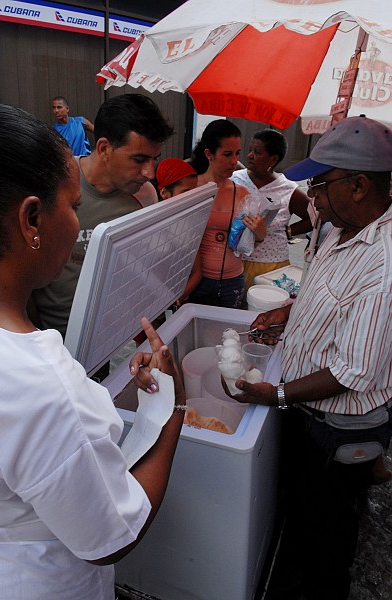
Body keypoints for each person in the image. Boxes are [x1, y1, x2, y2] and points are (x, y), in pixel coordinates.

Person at [0, 101, 187, 600]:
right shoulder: (39, 383)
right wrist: (169, 415)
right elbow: (107, 538)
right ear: (32, 218)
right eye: (73, 207)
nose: (80, 227)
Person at [225, 115, 392, 600]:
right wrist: (288, 310)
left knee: (328, 536)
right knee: (306, 514)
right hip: (309, 416)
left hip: (339, 427)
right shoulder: (339, 229)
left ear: (359, 185)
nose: (313, 197)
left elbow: (352, 371)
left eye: (321, 183)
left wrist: (275, 394)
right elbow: (327, 295)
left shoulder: (383, 262)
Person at [33, 94, 173, 341]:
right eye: (139, 159)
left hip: (110, 335)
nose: (149, 172)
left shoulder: (145, 196)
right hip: (49, 336)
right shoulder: (52, 182)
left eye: (154, 159)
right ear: (104, 148)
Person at [188, 119, 266, 308]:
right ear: (209, 154)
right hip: (198, 280)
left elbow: (251, 241)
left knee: (229, 334)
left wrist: (260, 232)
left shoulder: (242, 194)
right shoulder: (190, 189)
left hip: (233, 279)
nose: (234, 161)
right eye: (227, 154)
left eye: (237, 153)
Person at [231, 129, 312, 289]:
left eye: (257, 152)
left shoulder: (288, 189)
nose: (250, 156)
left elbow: (314, 217)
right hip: (234, 262)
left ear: (273, 159)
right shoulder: (235, 180)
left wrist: (288, 231)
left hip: (271, 266)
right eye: (249, 151)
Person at [156, 158, 201, 304]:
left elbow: (198, 272)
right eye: (186, 192)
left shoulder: (192, 225)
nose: (192, 198)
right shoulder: (150, 227)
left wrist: (176, 300)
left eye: (195, 192)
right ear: (164, 193)